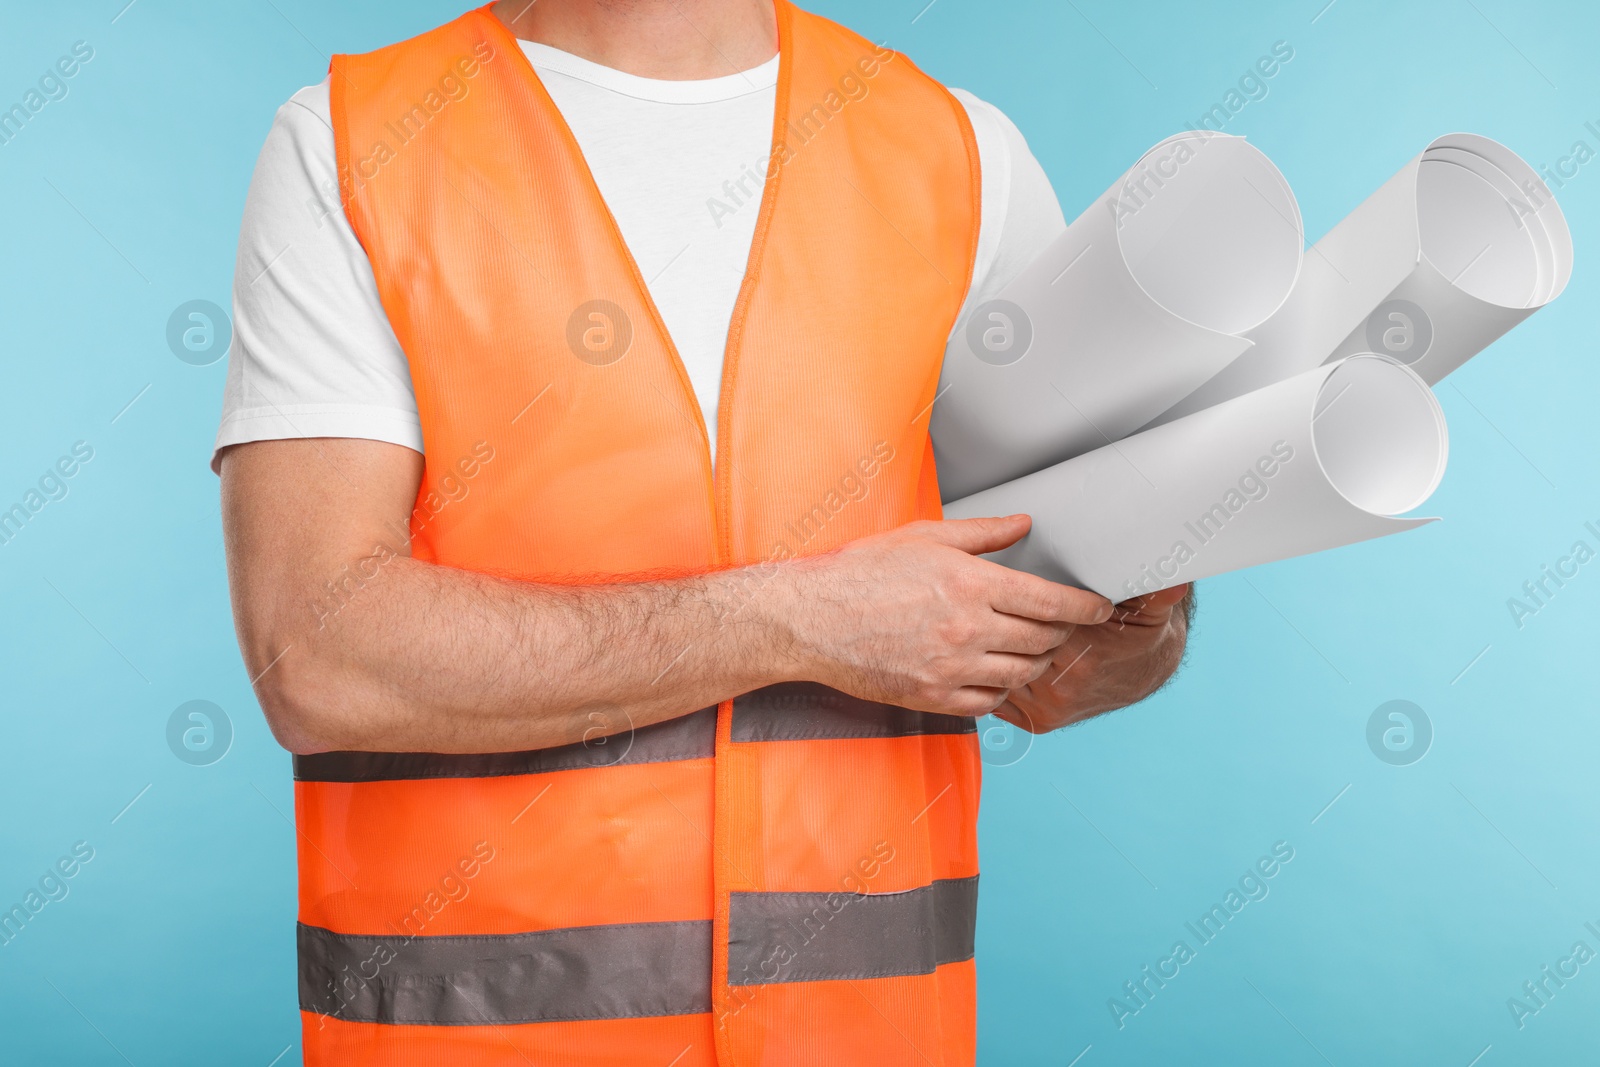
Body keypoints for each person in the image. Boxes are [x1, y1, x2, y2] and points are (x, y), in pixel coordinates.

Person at [216, 1, 1192, 1062]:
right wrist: (796, 622)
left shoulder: (960, 157)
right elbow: (316, 656)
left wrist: (1130, 609)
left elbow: (1048, 678)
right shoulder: (357, 145)